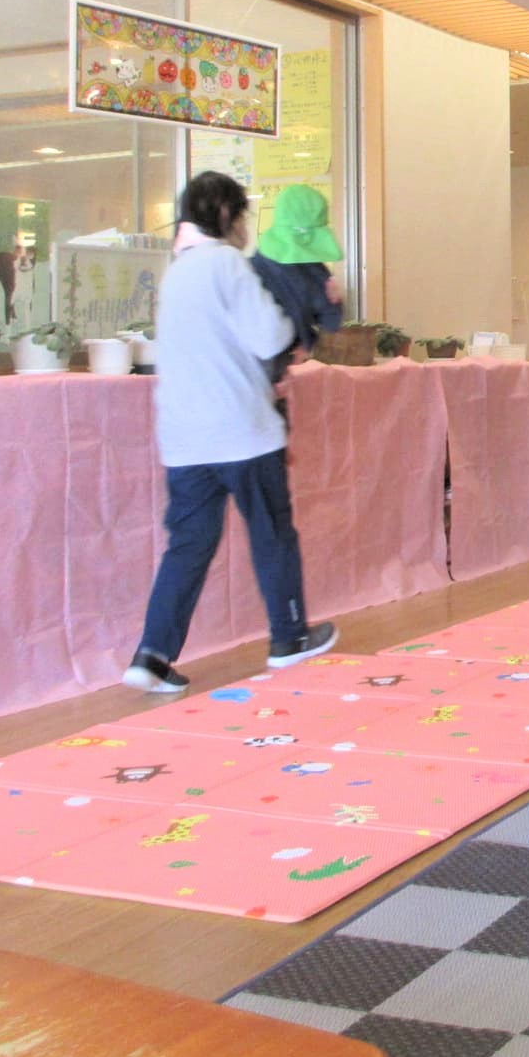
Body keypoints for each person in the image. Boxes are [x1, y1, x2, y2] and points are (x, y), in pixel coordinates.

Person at [124, 172, 338, 693]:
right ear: (225, 216)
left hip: (184, 438)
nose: (246, 228)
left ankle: (152, 654)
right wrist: (299, 322)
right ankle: (289, 636)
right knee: (272, 533)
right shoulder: (227, 264)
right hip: (242, 430)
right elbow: (270, 336)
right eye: (242, 216)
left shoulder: (177, 272)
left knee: (188, 545)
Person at [248, 184, 343, 385]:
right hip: (287, 366)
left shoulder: (253, 267)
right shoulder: (314, 270)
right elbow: (331, 319)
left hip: (256, 368)